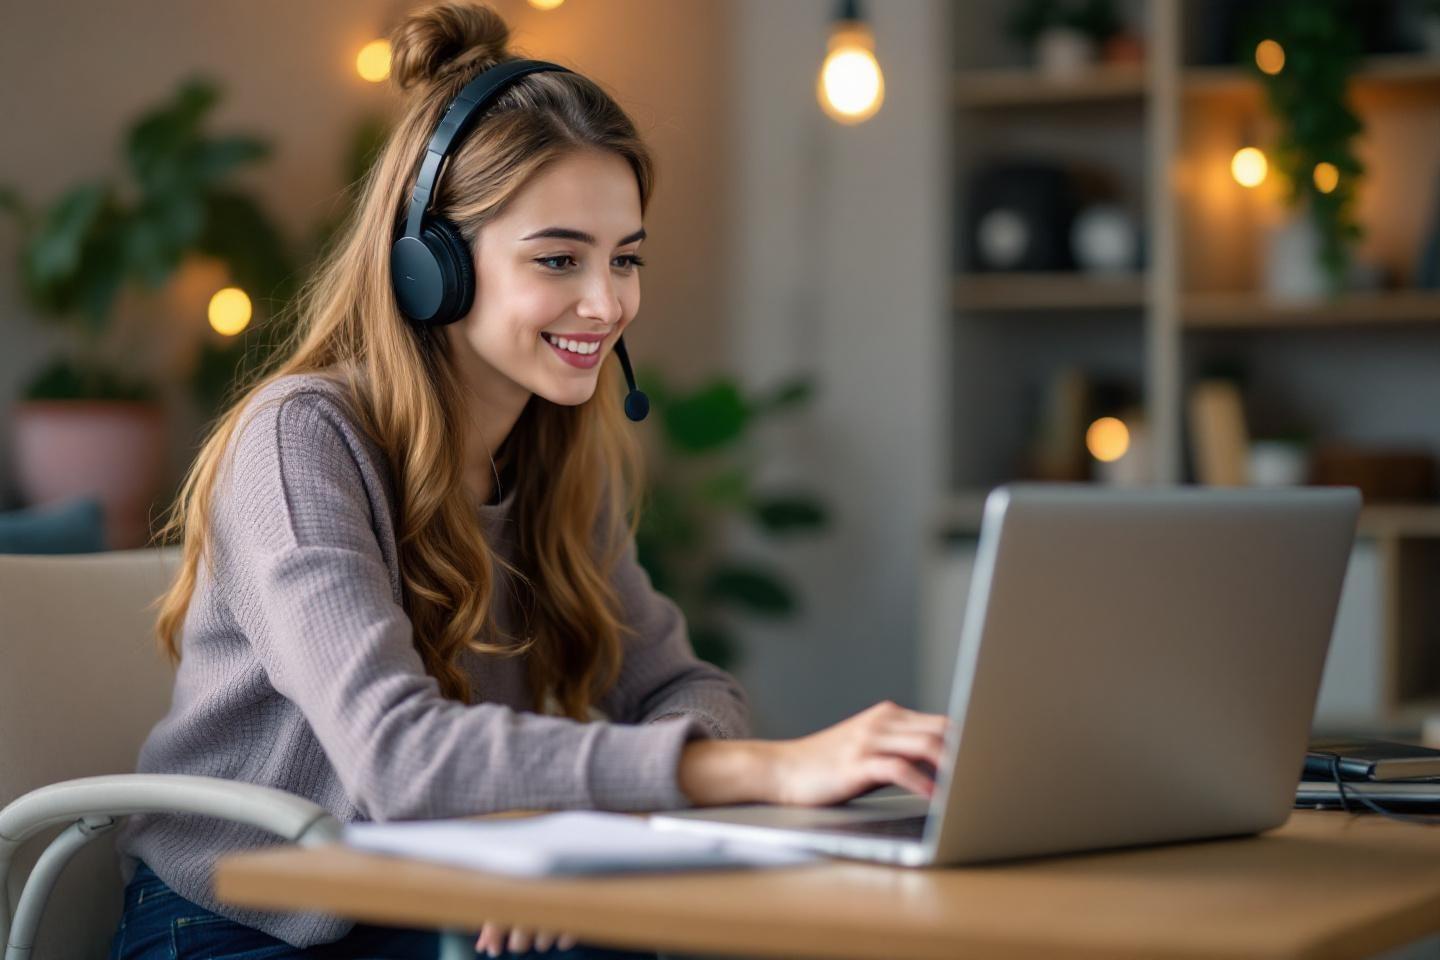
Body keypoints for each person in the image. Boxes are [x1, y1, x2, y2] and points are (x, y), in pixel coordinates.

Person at [109, 3, 949, 958]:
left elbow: (683, 684)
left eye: (625, 258)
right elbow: (397, 758)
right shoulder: (300, 442)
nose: (607, 303)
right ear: (433, 268)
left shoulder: (552, 458)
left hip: (419, 899)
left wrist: (587, 838)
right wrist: (760, 772)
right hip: (244, 925)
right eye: (560, 259)